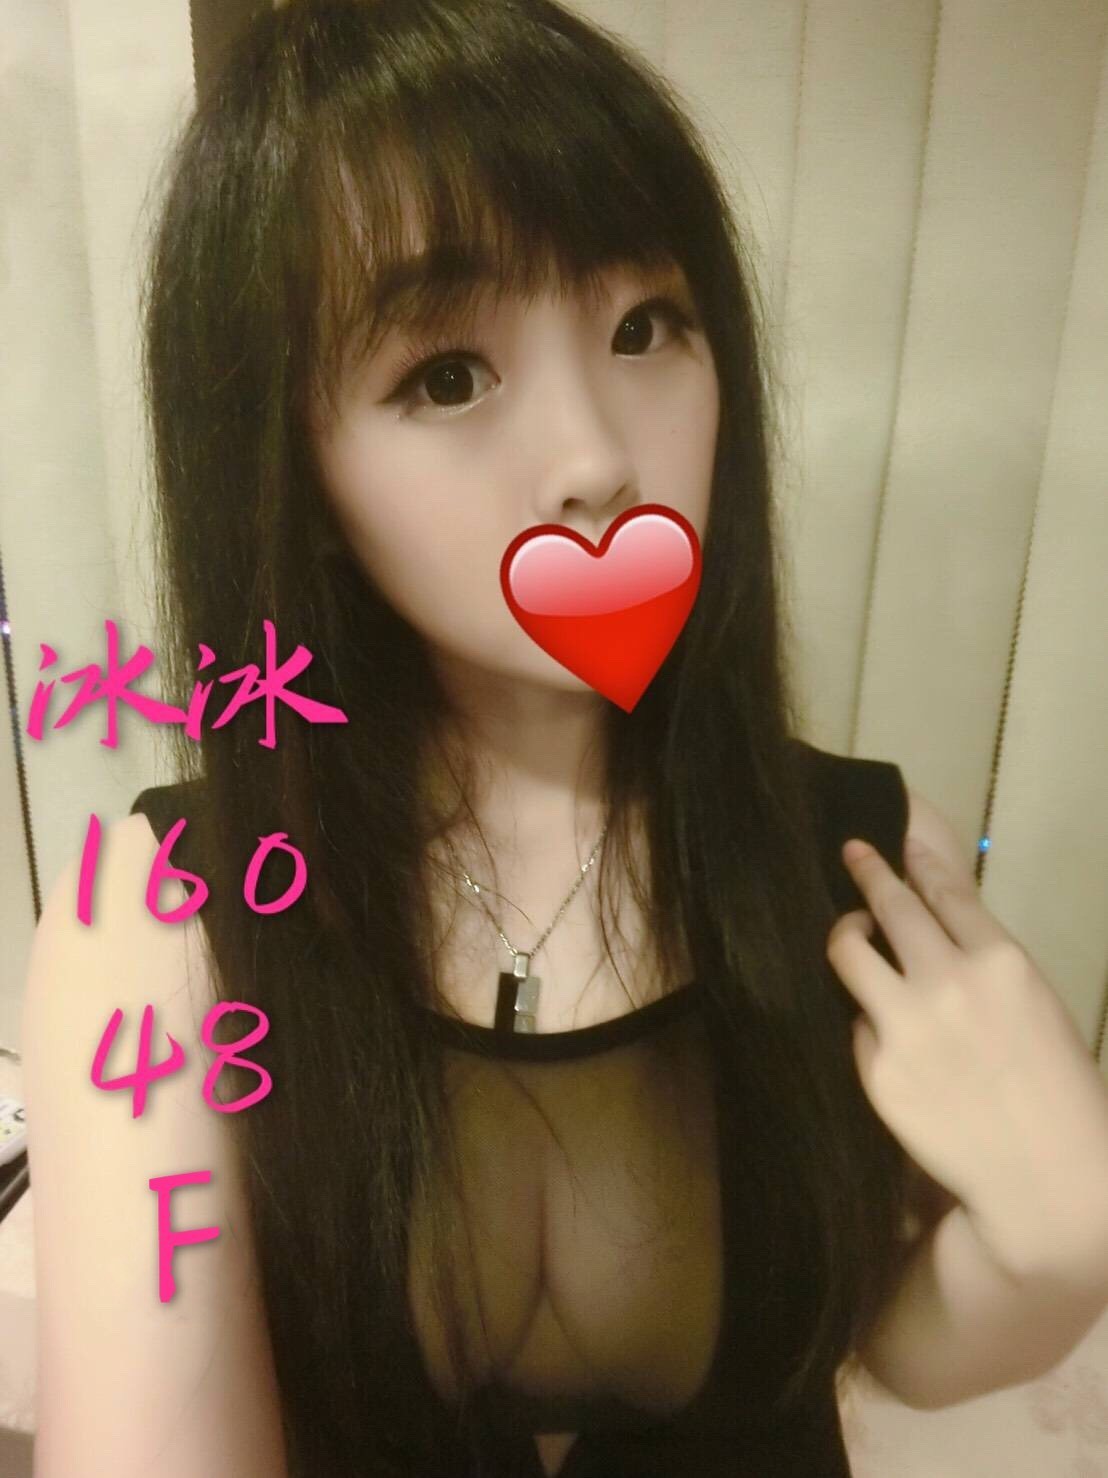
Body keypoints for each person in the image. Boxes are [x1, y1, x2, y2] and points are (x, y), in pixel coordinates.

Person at [21, 2, 1108, 1475]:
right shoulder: (157, 921)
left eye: (644, 327)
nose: (598, 455)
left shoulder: (855, 858)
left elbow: (889, 1343)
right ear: (296, 470)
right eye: (446, 376)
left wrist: (1057, 1245)